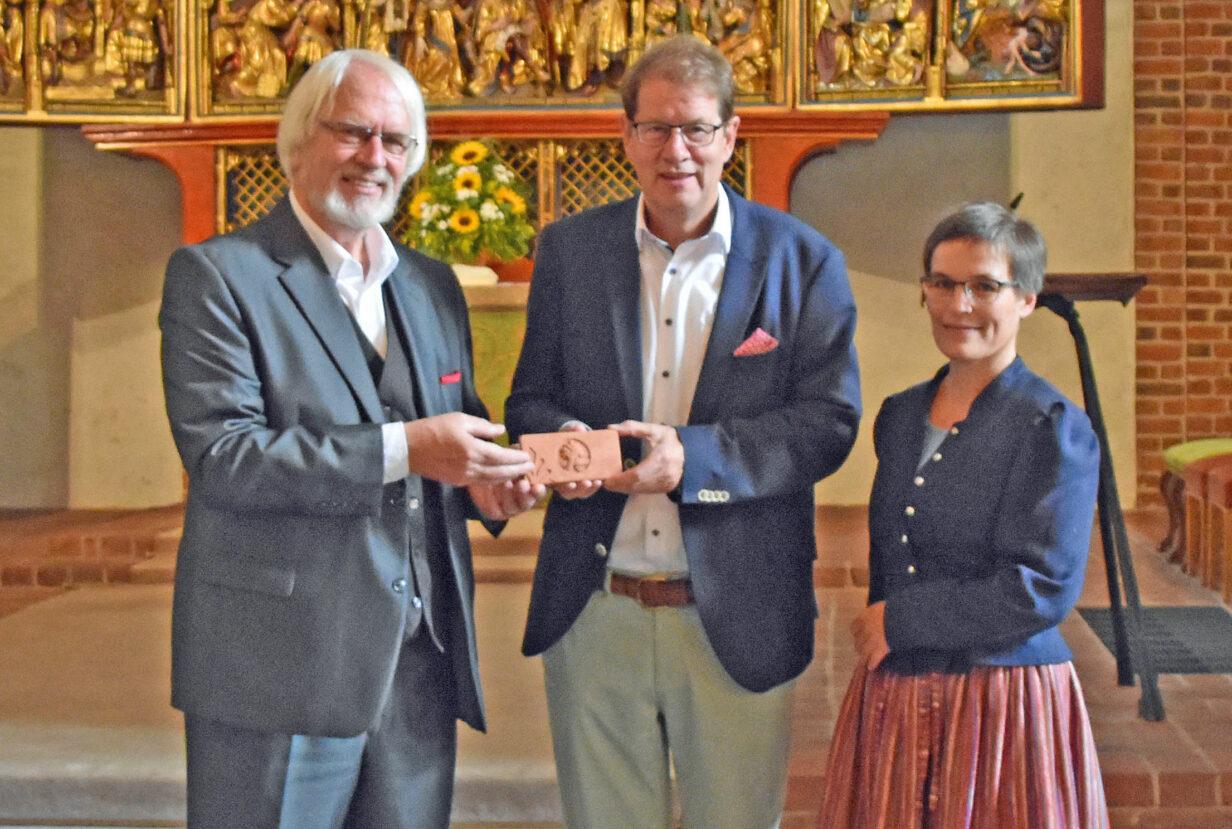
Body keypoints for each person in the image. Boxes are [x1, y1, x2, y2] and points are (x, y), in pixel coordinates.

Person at [159, 49, 543, 829]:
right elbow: (225, 458)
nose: (376, 158)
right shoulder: (219, 276)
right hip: (279, 667)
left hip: (417, 666)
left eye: (396, 142)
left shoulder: (431, 284)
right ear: (298, 141)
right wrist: (409, 446)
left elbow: (449, 443)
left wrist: (485, 484)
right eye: (354, 132)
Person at [505, 35, 861, 829]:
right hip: (596, 607)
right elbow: (529, 398)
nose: (677, 150)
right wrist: (570, 442)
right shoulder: (570, 251)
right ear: (626, 136)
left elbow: (827, 423)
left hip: (735, 607)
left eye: (697, 128)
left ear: (730, 135)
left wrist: (688, 458)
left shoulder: (802, 261)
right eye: (656, 127)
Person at [818, 202, 1109, 828]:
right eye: (943, 283)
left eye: (984, 286)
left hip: (1001, 702)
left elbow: (1041, 589)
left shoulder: (1052, 426)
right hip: (898, 688)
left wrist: (901, 620)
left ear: (1026, 299)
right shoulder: (899, 416)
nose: (960, 305)